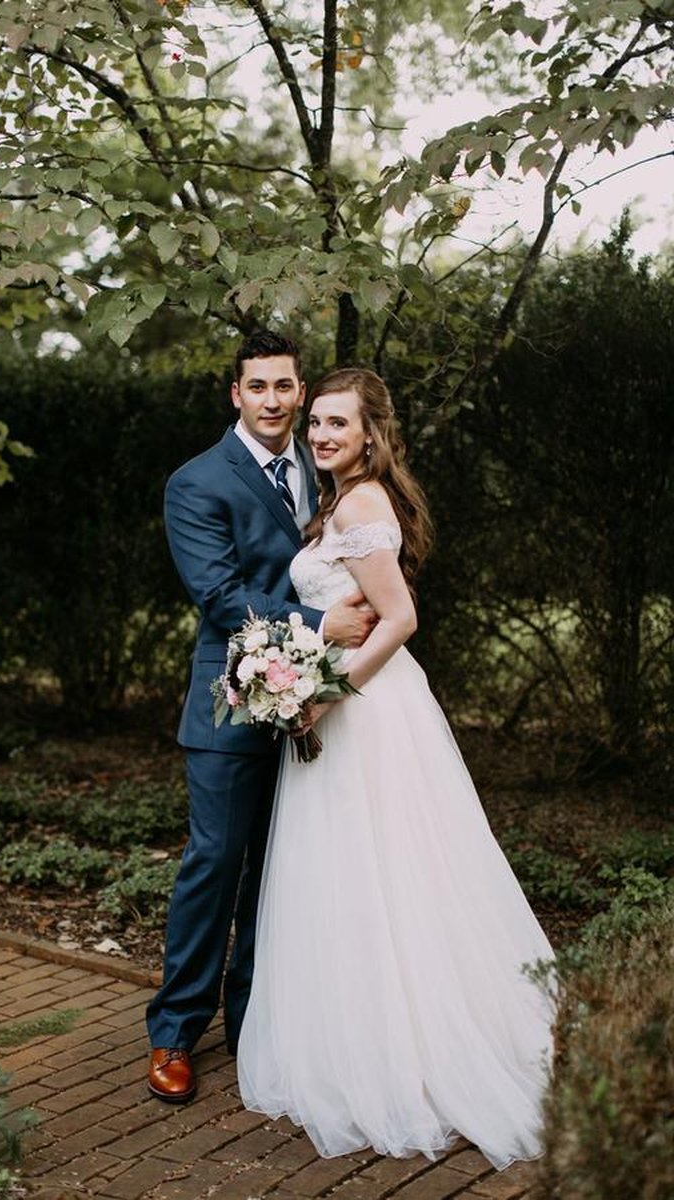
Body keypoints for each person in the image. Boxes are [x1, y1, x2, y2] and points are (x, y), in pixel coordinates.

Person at [237, 367, 556, 1169]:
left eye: (336, 424)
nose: (319, 435)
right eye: (315, 424)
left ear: (371, 435)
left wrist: (329, 692)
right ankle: (361, 1032)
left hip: (369, 715)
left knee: (388, 873)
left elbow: (402, 617)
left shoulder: (363, 500)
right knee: (355, 877)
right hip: (347, 706)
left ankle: (406, 1050)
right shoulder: (339, 501)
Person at [146, 332, 376, 1103]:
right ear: (235, 395)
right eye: (258, 388)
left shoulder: (326, 470)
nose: (274, 401)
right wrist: (319, 625)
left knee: (279, 878)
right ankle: (176, 1033)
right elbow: (217, 596)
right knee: (215, 868)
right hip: (232, 704)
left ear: (302, 391)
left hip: (312, 707)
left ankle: (254, 1026)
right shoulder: (196, 482)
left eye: (285, 387)